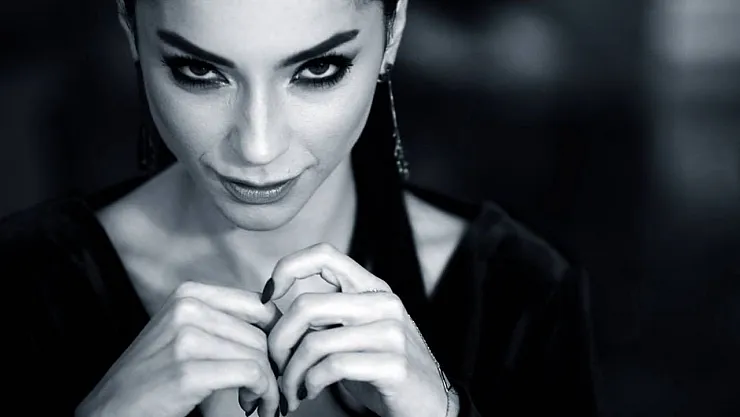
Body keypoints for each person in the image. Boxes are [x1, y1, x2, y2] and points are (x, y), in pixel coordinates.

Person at [2, 0, 600, 416]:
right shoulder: (19, 282)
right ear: (132, 32)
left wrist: (441, 412)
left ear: (392, 34)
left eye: (317, 69)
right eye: (199, 70)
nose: (258, 147)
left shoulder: (519, 291)